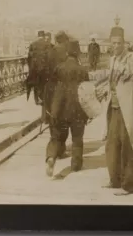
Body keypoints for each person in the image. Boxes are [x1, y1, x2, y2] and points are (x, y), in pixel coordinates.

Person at [104, 25, 133, 196]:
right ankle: (115, 180)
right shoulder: (112, 59)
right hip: (114, 109)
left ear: (124, 43)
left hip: (128, 110)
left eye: (118, 43)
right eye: (113, 43)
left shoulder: (132, 59)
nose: (115, 46)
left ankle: (129, 184)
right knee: (112, 145)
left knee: (129, 146)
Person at [45, 40, 89, 176]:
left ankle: (51, 157)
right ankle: (75, 164)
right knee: (77, 137)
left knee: (56, 136)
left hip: (60, 108)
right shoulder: (82, 70)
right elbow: (88, 92)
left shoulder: (59, 68)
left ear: (67, 53)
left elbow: (50, 89)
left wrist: (50, 108)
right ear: (77, 53)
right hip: (77, 109)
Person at [27, 30, 50, 105]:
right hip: (44, 68)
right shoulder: (47, 44)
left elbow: (29, 58)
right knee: (43, 84)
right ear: (43, 36)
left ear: (38, 36)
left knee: (36, 84)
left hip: (34, 69)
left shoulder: (33, 44)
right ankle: (42, 98)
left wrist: (31, 67)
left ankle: (36, 100)